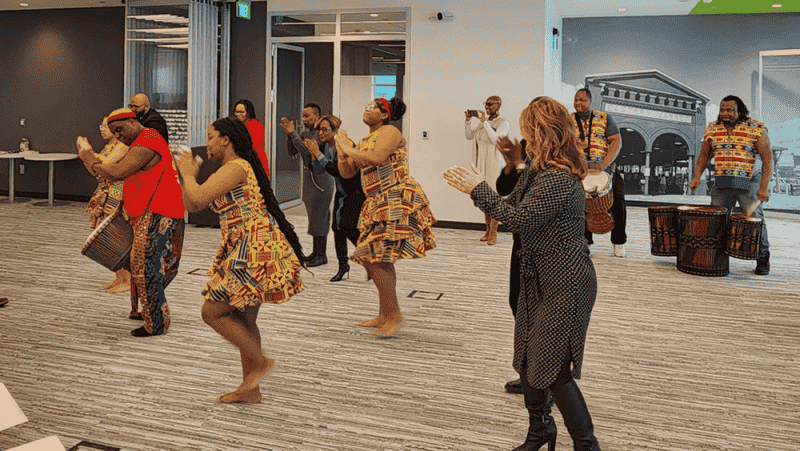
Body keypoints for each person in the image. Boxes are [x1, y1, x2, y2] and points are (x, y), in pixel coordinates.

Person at [444, 97, 603, 451]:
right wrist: (507, 170)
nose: (525, 137)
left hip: (566, 279)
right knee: (529, 357)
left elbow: (518, 219)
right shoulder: (537, 171)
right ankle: (540, 431)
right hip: (538, 274)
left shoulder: (559, 178)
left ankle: (586, 445)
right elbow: (513, 202)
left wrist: (476, 189)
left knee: (554, 367)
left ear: (543, 133)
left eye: (529, 130)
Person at [175, 117, 305, 404]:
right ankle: (251, 389)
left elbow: (196, 198)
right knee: (245, 320)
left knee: (212, 311)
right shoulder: (227, 169)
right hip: (244, 243)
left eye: (210, 136)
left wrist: (187, 173)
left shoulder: (236, 167)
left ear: (226, 139)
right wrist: (188, 176)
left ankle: (258, 363)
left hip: (253, 245)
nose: (206, 143)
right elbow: (192, 203)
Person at [77, 108, 185, 337]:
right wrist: (91, 160)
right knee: (142, 265)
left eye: (120, 129)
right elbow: (106, 172)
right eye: (114, 132)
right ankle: (142, 311)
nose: (119, 136)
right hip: (148, 212)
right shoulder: (139, 142)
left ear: (132, 121)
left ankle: (156, 323)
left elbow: (116, 172)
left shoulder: (149, 139)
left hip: (159, 211)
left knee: (146, 267)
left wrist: (91, 159)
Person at [335, 98, 436, 337]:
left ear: (384, 115)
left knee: (374, 257)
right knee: (379, 258)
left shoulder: (390, 131)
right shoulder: (364, 141)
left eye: (372, 106)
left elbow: (378, 158)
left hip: (395, 198)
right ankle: (386, 313)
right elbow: (348, 172)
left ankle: (394, 315)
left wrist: (349, 149)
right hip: (377, 202)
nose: (366, 108)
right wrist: (342, 153)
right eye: (366, 105)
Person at [688, 95, 772, 275]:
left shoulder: (756, 128)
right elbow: (704, 155)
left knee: (754, 220)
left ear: (740, 110)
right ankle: (717, 257)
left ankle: (763, 257)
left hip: (748, 181)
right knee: (716, 221)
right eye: (722, 109)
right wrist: (697, 176)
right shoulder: (712, 128)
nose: (725, 113)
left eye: (730, 110)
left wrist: (763, 187)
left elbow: (767, 159)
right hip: (722, 181)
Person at [305, 115, 366, 282]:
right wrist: (313, 155)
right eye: (319, 129)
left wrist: (318, 154)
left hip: (355, 191)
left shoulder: (345, 144)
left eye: (325, 129)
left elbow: (338, 171)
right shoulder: (324, 147)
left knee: (348, 227)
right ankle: (343, 266)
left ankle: (370, 259)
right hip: (341, 192)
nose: (321, 133)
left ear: (335, 129)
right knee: (337, 228)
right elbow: (318, 172)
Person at [80, 116, 132, 296]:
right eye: (101, 125)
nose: (102, 129)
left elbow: (105, 164)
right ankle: (120, 277)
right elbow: (95, 170)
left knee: (115, 234)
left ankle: (127, 280)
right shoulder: (109, 146)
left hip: (117, 191)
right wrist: (86, 154)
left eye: (105, 126)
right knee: (106, 232)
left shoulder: (122, 145)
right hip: (105, 190)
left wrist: (87, 153)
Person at [572, 88, 627, 257]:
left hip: (604, 169)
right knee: (579, 208)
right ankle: (584, 242)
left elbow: (616, 140)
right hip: (579, 172)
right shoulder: (568, 120)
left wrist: (604, 164)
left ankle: (618, 241)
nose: (578, 103)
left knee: (618, 201)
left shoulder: (604, 118)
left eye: (582, 100)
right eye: (576, 100)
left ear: (590, 101)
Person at [280, 103, 334, 267]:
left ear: (317, 116)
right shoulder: (303, 133)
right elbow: (292, 152)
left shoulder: (321, 134)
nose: (304, 119)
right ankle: (316, 252)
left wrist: (293, 133)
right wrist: (289, 135)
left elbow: (307, 152)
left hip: (321, 176)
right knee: (313, 215)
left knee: (321, 216)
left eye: (307, 116)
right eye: (303, 116)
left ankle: (322, 254)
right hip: (308, 176)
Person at [464, 95, 510, 245]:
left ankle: (494, 233)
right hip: (481, 164)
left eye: (490, 105)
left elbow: (496, 139)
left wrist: (484, 122)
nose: (487, 107)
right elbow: (469, 136)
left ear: (499, 105)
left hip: (494, 164)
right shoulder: (485, 123)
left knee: (494, 199)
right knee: (484, 197)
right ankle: (487, 230)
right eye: (486, 104)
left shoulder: (504, 122)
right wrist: (468, 121)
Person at [234, 99, 268, 177]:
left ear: (248, 112)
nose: (238, 114)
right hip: (241, 164)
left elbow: (251, 145)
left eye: (242, 112)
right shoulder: (235, 125)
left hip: (256, 163)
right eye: (236, 112)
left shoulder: (257, 126)